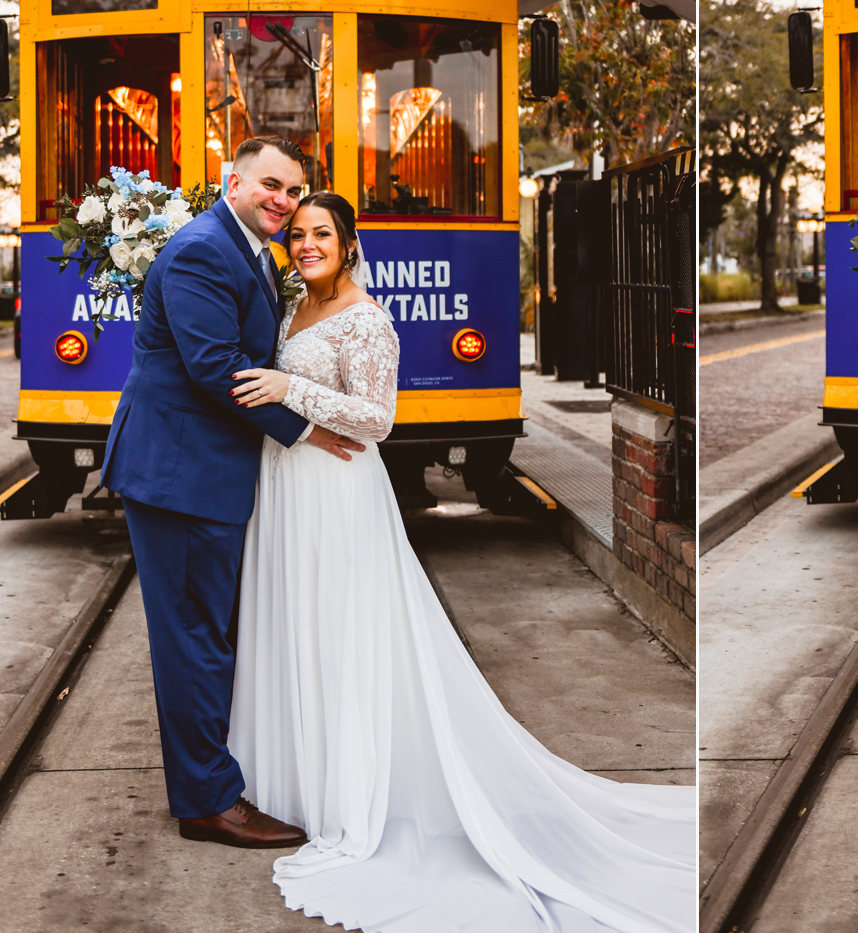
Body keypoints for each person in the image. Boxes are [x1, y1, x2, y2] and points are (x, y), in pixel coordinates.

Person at [225, 193, 696, 933]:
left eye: (322, 235)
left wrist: (292, 388)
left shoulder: (367, 317)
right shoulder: (294, 309)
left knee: (343, 634)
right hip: (289, 486)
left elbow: (377, 419)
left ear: (348, 246)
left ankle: (353, 792)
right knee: (297, 627)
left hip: (338, 495)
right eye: (299, 235)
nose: (307, 244)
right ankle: (300, 782)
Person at [102, 137, 366, 848]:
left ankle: (213, 781)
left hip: (203, 472)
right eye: (272, 186)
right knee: (193, 640)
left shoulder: (245, 250)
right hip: (180, 474)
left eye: (294, 189)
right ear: (234, 181)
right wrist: (305, 429)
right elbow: (215, 366)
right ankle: (207, 803)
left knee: (206, 634)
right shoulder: (201, 250)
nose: (283, 200)